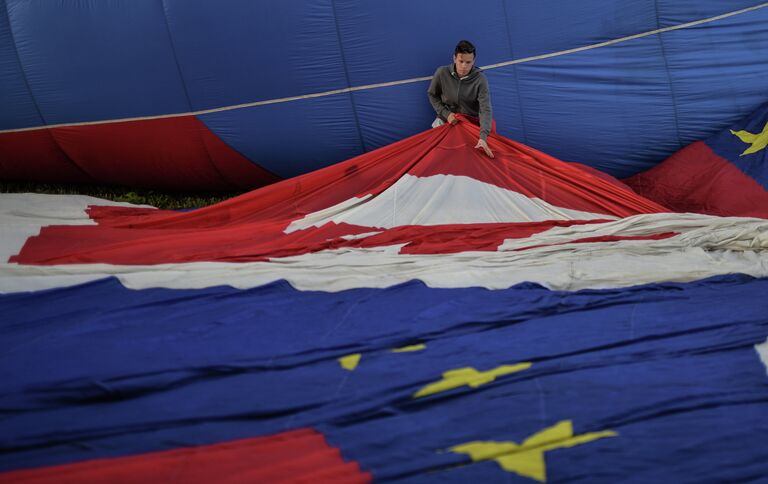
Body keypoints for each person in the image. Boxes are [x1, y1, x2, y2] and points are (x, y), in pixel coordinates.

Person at [428, 39, 494, 158]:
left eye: (468, 62)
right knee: (435, 153)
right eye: (461, 61)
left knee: (471, 157)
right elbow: (432, 95)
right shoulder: (441, 72)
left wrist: (483, 137)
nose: (464, 66)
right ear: (454, 58)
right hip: (445, 119)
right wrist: (446, 114)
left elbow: (485, 109)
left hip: (470, 123)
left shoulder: (480, 79)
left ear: (474, 61)